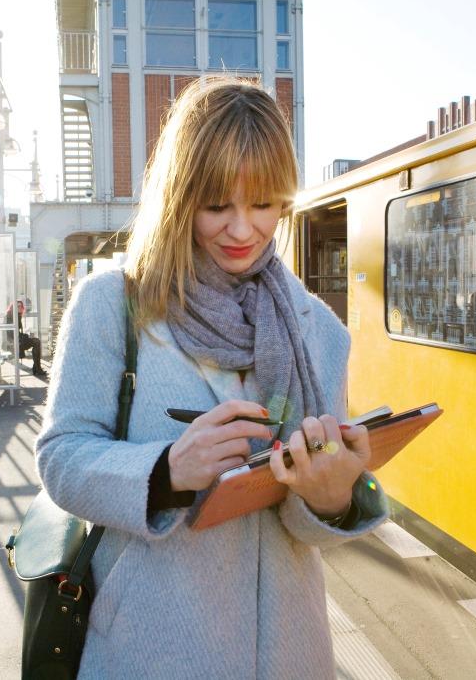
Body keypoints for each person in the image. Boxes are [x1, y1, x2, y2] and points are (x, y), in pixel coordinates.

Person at [35, 77, 389, 679]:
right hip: (149, 648)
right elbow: (61, 458)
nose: (244, 229)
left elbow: (309, 530)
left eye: (265, 203)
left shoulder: (319, 332)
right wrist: (166, 472)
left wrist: (330, 499)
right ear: (179, 198)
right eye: (218, 204)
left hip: (287, 652)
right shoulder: (112, 305)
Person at [5, 300, 46, 378]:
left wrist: (24, 335)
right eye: (17, 306)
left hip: (19, 340)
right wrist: (23, 336)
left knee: (37, 341)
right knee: (36, 342)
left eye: (21, 306)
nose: (20, 308)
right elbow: (10, 333)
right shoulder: (10, 317)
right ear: (13, 308)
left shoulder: (17, 315)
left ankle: (37, 368)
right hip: (15, 342)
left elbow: (18, 332)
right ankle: (37, 368)